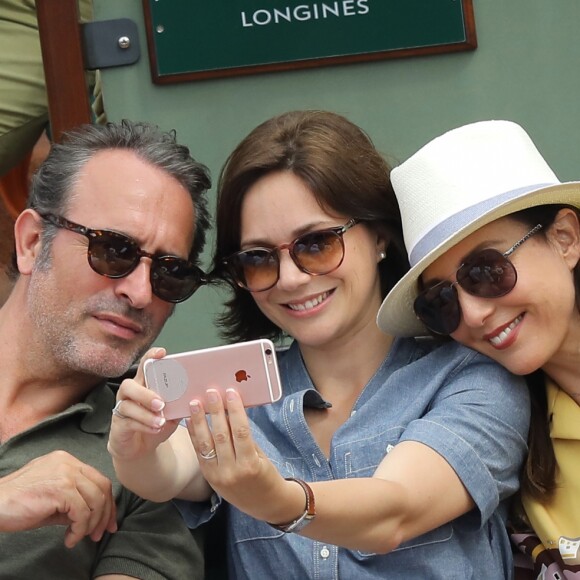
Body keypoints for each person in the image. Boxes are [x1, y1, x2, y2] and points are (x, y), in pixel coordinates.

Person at [108, 110, 530, 579]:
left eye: (316, 243)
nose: (289, 278)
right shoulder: (239, 391)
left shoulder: (471, 378)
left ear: (380, 238)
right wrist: (135, 448)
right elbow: (169, 472)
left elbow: (396, 510)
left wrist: (278, 499)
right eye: (258, 258)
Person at [0, 119, 212, 579]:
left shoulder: (151, 458)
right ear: (33, 243)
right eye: (114, 250)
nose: (139, 293)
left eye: (170, 273)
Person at [376, 119, 580, 578]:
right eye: (441, 300)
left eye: (485, 270)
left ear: (565, 239)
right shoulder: (510, 433)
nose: (472, 314)